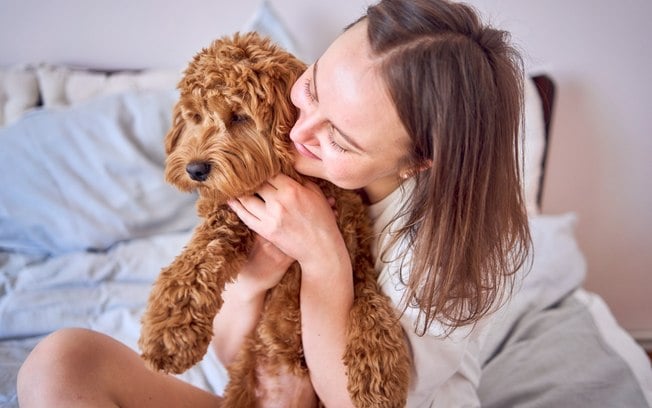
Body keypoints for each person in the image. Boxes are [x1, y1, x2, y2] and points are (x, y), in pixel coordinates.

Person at [17, 0, 530, 406]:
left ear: (418, 161)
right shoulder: (281, 171)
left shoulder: (461, 254)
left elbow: (358, 401)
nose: (300, 130)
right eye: (312, 87)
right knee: (61, 361)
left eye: (341, 139)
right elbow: (228, 353)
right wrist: (254, 279)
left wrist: (323, 257)